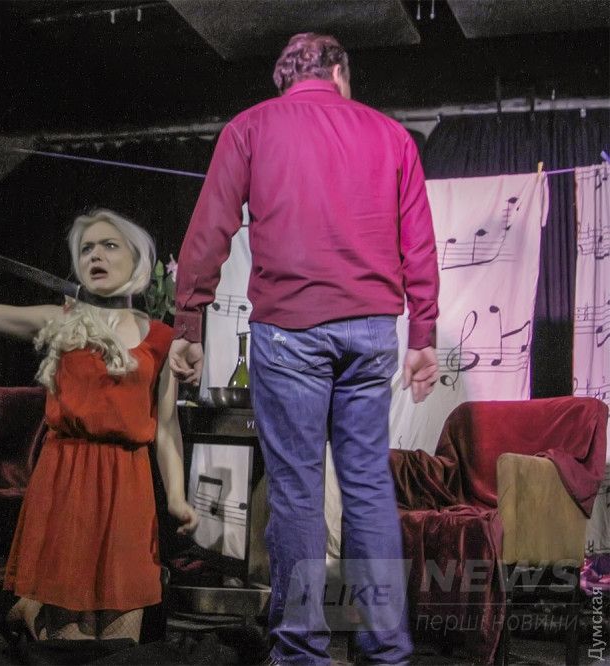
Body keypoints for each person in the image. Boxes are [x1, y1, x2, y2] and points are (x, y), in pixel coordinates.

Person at [168, 33, 440, 665]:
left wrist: (189, 321)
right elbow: (419, 240)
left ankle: (301, 651)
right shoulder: (391, 136)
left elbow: (209, 228)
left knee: (296, 492)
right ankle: (387, 649)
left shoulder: (250, 127)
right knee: (368, 486)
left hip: (289, 331)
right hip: (371, 331)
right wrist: (422, 333)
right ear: (339, 71)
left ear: (285, 79)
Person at [0, 209, 198, 644]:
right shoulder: (63, 322)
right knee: (69, 639)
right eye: (86, 249)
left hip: (129, 490)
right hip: (67, 482)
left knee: (120, 640)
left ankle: (28, 611)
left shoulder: (162, 339)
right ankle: (33, 613)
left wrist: (178, 496)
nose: (96, 255)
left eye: (109, 246)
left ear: (137, 260)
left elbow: (166, 428)